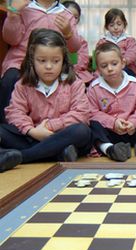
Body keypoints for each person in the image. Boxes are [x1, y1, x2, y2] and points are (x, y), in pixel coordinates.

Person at [0, 28, 91, 173]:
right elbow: (14, 112)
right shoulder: (23, 84)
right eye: (42, 61)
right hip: (33, 136)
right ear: (32, 60)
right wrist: (31, 130)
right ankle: (57, 153)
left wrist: (50, 126)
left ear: (64, 60)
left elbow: (81, 114)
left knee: (82, 131)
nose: (49, 66)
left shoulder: (74, 83)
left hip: (62, 135)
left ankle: (24, 157)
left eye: (55, 61)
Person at [0, 0, 82, 123]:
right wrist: (13, 14)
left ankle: (57, 125)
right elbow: (11, 39)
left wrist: (68, 33)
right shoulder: (24, 10)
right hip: (21, 62)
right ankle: (8, 126)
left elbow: (74, 48)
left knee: (73, 81)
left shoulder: (66, 15)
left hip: (55, 65)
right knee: (10, 79)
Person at [87, 42, 136, 162]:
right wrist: (113, 122)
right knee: (92, 125)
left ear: (122, 63)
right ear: (98, 69)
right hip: (110, 133)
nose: (110, 69)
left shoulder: (135, 84)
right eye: (104, 66)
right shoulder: (94, 88)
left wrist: (133, 122)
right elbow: (92, 113)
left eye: (114, 64)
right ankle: (109, 149)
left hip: (133, 130)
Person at [96, 8, 136, 76]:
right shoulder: (103, 41)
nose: (115, 27)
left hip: (126, 68)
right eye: (112, 25)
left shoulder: (130, 40)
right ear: (107, 26)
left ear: (124, 24)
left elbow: (133, 53)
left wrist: (125, 60)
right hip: (108, 67)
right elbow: (98, 55)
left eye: (119, 24)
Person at [62, 0, 94, 85]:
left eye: (75, 17)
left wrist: (70, 68)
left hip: (77, 74)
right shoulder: (53, 38)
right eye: (68, 16)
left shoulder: (81, 41)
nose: (72, 19)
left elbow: (83, 61)